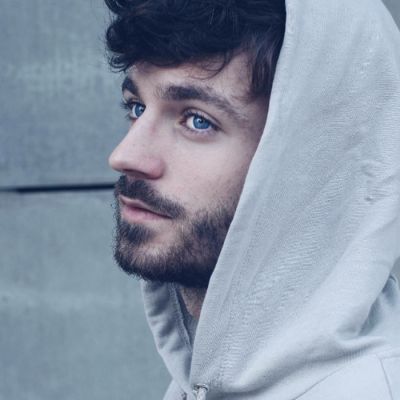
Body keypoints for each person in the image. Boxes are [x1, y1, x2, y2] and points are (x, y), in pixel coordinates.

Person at [104, 0, 400, 398]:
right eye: (137, 108)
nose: (124, 156)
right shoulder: (203, 380)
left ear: (313, 164)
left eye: (197, 120)